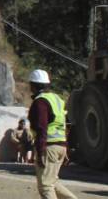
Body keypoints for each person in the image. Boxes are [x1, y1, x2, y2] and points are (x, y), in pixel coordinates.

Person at [27, 69, 77, 199]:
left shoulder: (40, 102)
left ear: (34, 85)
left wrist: (40, 151)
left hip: (48, 147)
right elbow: (65, 124)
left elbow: (41, 128)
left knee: (45, 186)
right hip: (59, 145)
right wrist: (66, 147)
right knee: (52, 182)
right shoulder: (57, 99)